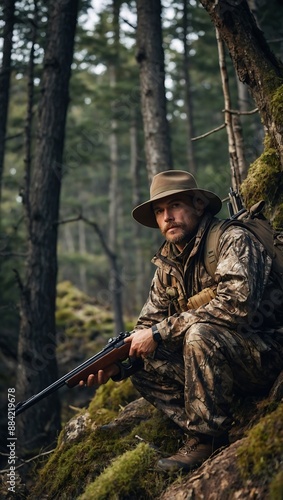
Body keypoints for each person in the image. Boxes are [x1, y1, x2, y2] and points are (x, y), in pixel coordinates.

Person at [82, 170, 283, 473]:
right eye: (160, 211)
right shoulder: (167, 264)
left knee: (198, 334)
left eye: (174, 206)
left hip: (267, 351)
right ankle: (219, 416)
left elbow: (237, 305)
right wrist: (120, 366)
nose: (167, 217)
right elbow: (147, 324)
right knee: (143, 358)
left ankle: (205, 439)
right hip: (223, 365)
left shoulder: (232, 239)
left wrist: (160, 333)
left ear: (198, 205)